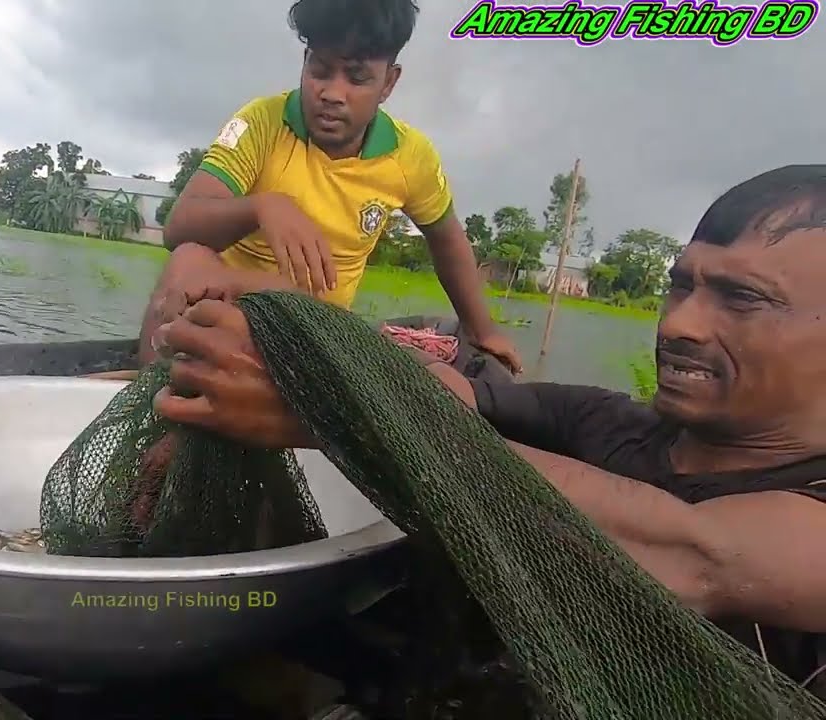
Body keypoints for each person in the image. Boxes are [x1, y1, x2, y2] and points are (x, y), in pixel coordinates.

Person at [148, 164, 826, 692]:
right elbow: (448, 393)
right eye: (683, 286)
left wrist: (338, 411)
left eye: (742, 298)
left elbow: (697, 556)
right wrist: (285, 337)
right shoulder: (605, 422)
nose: (680, 323)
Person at [139, 0, 522, 373]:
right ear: (305, 61)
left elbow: (447, 238)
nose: (333, 94)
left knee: (446, 385)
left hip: (319, 330)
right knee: (188, 258)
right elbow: (181, 226)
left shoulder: (411, 156)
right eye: (321, 70)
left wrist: (483, 330)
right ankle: (151, 398)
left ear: (389, 82)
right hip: (224, 307)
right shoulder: (262, 123)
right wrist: (262, 207)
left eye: (356, 78)